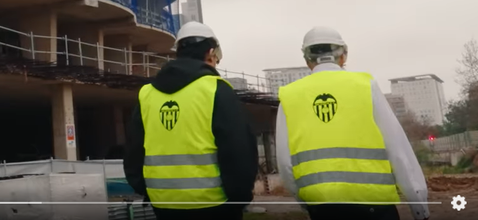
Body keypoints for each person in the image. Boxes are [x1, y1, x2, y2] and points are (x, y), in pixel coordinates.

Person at [276, 27, 429, 220]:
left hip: (323, 209)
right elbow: (398, 149)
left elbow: (284, 162)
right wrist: (419, 207)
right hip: (375, 209)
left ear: (307, 59)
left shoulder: (289, 96)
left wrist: (306, 202)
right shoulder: (365, 86)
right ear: (343, 56)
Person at [124, 22, 258, 220]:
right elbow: (238, 149)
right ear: (211, 53)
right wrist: (240, 197)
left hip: (163, 203)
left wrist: (146, 189)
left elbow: (134, 149)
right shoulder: (216, 89)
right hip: (214, 204)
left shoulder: (147, 94)